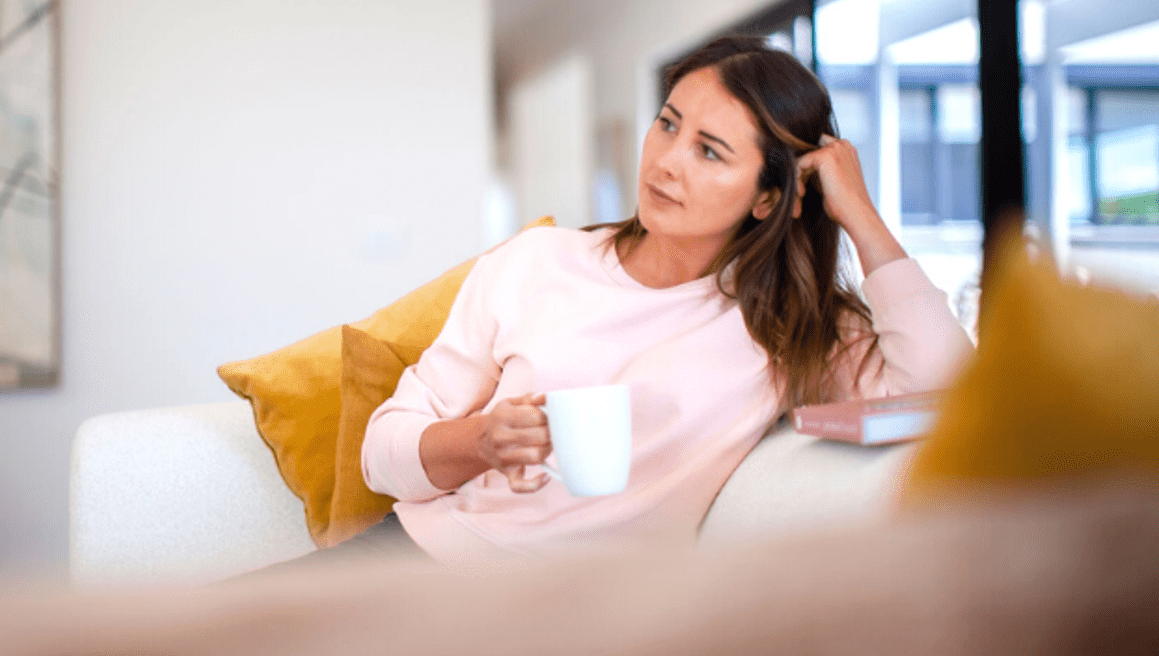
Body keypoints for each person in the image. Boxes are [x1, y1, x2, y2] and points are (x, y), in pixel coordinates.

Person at [355, 35, 974, 564]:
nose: (667, 162)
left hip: (560, 615)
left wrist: (858, 213)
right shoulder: (536, 261)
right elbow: (381, 456)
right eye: (669, 124)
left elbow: (947, 388)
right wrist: (481, 440)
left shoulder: (790, 326)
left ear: (766, 198)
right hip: (415, 559)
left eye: (709, 150)